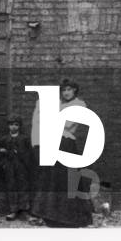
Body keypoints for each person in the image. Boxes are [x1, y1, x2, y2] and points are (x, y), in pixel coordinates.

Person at [29, 78, 94, 227]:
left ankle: (72, 218)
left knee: (68, 181)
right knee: (53, 181)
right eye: (64, 90)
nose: (66, 93)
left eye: (69, 89)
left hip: (67, 145)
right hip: (54, 144)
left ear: (75, 90)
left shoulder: (79, 104)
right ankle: (54, 216)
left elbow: (67, 124)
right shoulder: (59, 105)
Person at [0, 116, 34, 220]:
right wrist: (0, 150)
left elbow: (30, 153)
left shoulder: (24, 138)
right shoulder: (5, 139)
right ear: (8, 126)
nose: (13, 127)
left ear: (19, 126)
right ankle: (13, 211)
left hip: (22, 166)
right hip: (9, 166)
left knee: (23, 187)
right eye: (11, 125)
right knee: (11, 187)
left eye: (16, 125)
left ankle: (24, 211)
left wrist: (21, 155)